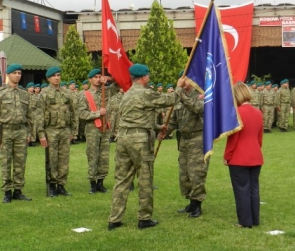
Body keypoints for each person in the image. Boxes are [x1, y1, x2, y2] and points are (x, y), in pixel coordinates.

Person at [108, 64, 181, 231]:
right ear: (143, 77)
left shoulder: (127, 94)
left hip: (123, 138)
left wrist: (156, 126)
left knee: (122, 179)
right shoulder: (145, 93)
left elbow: (134, 116)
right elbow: (170, 99)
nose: (149, 78)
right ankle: (144, 218)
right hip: (140, 140)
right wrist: (179, 86)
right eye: (148, 75)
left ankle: (115, 219)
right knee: (145, 178)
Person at [162, 77, 208, 218]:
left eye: (186, 79)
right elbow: (174, 119)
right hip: (183, 140)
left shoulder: (201, 95)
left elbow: (198, 108)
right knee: (185, 174)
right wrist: (165, 130)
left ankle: (197, 204)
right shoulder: (179, 97)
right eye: (181, 79)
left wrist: (180, 94)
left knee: (197, 173)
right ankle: (191, 202)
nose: (182, 82)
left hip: (198, 138)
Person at [0, 64, 34, 203]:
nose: (17, 75)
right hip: (5, 131)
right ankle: (7, 192)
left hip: (21, 131)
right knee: (5, 162)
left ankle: (18, 191)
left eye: (19, 73)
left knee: (20, 162)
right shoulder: (0, 93)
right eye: (14, 73)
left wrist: (29, 133)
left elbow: (30, 116)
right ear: (8, 75)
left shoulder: (24, 93)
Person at [224, 82, 263, 228]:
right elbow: (259, 138)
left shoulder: (236, 113)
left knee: (241, 190)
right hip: (255, 156)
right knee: (253, 189)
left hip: (239, 158)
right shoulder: (258, 112)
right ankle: (255, 219)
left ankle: (245, 221)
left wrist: (227, 156)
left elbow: (233, 139)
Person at [37, 67, 76, 197]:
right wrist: (41, 135)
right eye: (54, 76)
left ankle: (61, 185)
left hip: (65, 130)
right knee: (52, 159)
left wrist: (73, 131)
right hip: (51, 131)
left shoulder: (66, 92)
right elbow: (39, 115)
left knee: (64, 159)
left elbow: (72, 112)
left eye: (58, 75)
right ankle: (52, 186)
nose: (57, 78)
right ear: (48, 78)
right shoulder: (44, 94)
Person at [78, 69, 111, 194]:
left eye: (99, 76)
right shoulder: (84, 94)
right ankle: (93, 183)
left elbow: (121, 83)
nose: (98, 79)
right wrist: (98, 113)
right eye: (95, 77)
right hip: (92, 128)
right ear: (90, 79)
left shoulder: (106, 92)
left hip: (105, 128)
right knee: (93, 155)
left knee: (104, 156)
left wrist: (108, 79)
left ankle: (101, 182)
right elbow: (82, 113)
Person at [26, 82, 39, 147]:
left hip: (34, 113)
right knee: (28, 127)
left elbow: (38, 106)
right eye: (30, 87)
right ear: (27, 88)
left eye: (33, 87)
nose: (32, 88)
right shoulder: (25, 95)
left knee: (34, 127)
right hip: (27, 114)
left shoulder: (36, 96)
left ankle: (33, 141)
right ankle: (28, 141)